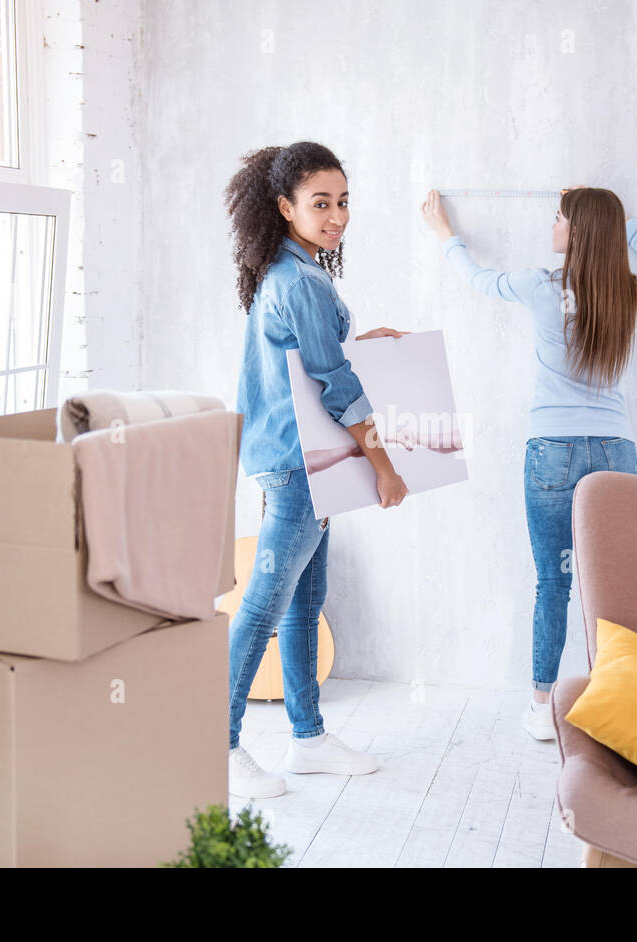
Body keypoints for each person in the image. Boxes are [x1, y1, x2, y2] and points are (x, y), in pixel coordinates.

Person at [421, 185, 637, 741]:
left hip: (552, 452)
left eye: (559, 218)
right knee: (618, 585)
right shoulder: (628, 291)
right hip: (615, 452)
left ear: (576, 232)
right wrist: (618, 220)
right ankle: (620, 701)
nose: (551, 225)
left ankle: (541, 707)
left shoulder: (541, 286)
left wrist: (444, 233)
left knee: (553, 582)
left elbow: (478, 279)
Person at [225, 141, 410, 798]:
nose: (337, 215)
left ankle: (307, 739)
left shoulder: (289, 271)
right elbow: (331, 382)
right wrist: (383, 464)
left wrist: (362, 341)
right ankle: (215, 745)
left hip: (297, 460)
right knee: (265, 606)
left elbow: (307, 362)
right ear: (286, 207)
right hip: (298, 466)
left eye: (343, 201)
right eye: (320, 203)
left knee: (305, 602)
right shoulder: (301, 280)